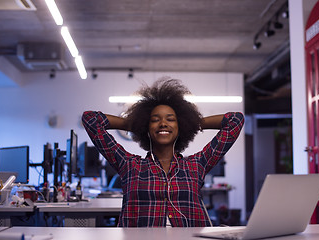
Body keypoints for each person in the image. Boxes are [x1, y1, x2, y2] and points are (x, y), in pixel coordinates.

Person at [82, 77, 244, 227]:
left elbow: (235, 121)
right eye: (154, 119)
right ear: (146, 126)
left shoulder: (196, 165)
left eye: (171, 119)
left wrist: (193, 122)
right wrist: (133, 124)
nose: (163, 123)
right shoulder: (129, 165)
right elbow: (90, 119)